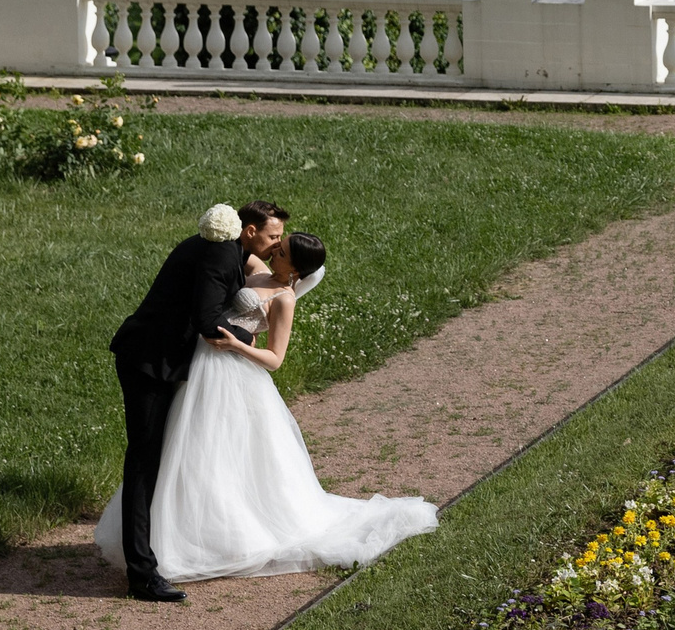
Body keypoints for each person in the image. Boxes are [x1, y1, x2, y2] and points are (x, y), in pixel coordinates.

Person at [96, 224, 438, 587]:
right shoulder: (257, 271)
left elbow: (275, 358)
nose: (276, 250)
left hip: (233, 373)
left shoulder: (284, 298)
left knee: (221, 452)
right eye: (279, 243)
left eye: (284, 251)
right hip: (199, 368)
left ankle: (222, 537)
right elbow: (236, 254)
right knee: (187, 448)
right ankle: (180, 532)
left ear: (296, 270)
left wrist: (237, 345)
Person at [104, 200, 284, 601]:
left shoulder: (227, 250)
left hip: (167, 363)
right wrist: (249, 339)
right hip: (150, 363)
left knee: (165, 456)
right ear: (249, 231)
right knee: (144, 460)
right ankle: (141, 576)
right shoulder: (220, 253)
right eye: (273, 236)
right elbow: (206, 321)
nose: (277, 243)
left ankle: (162, 549)